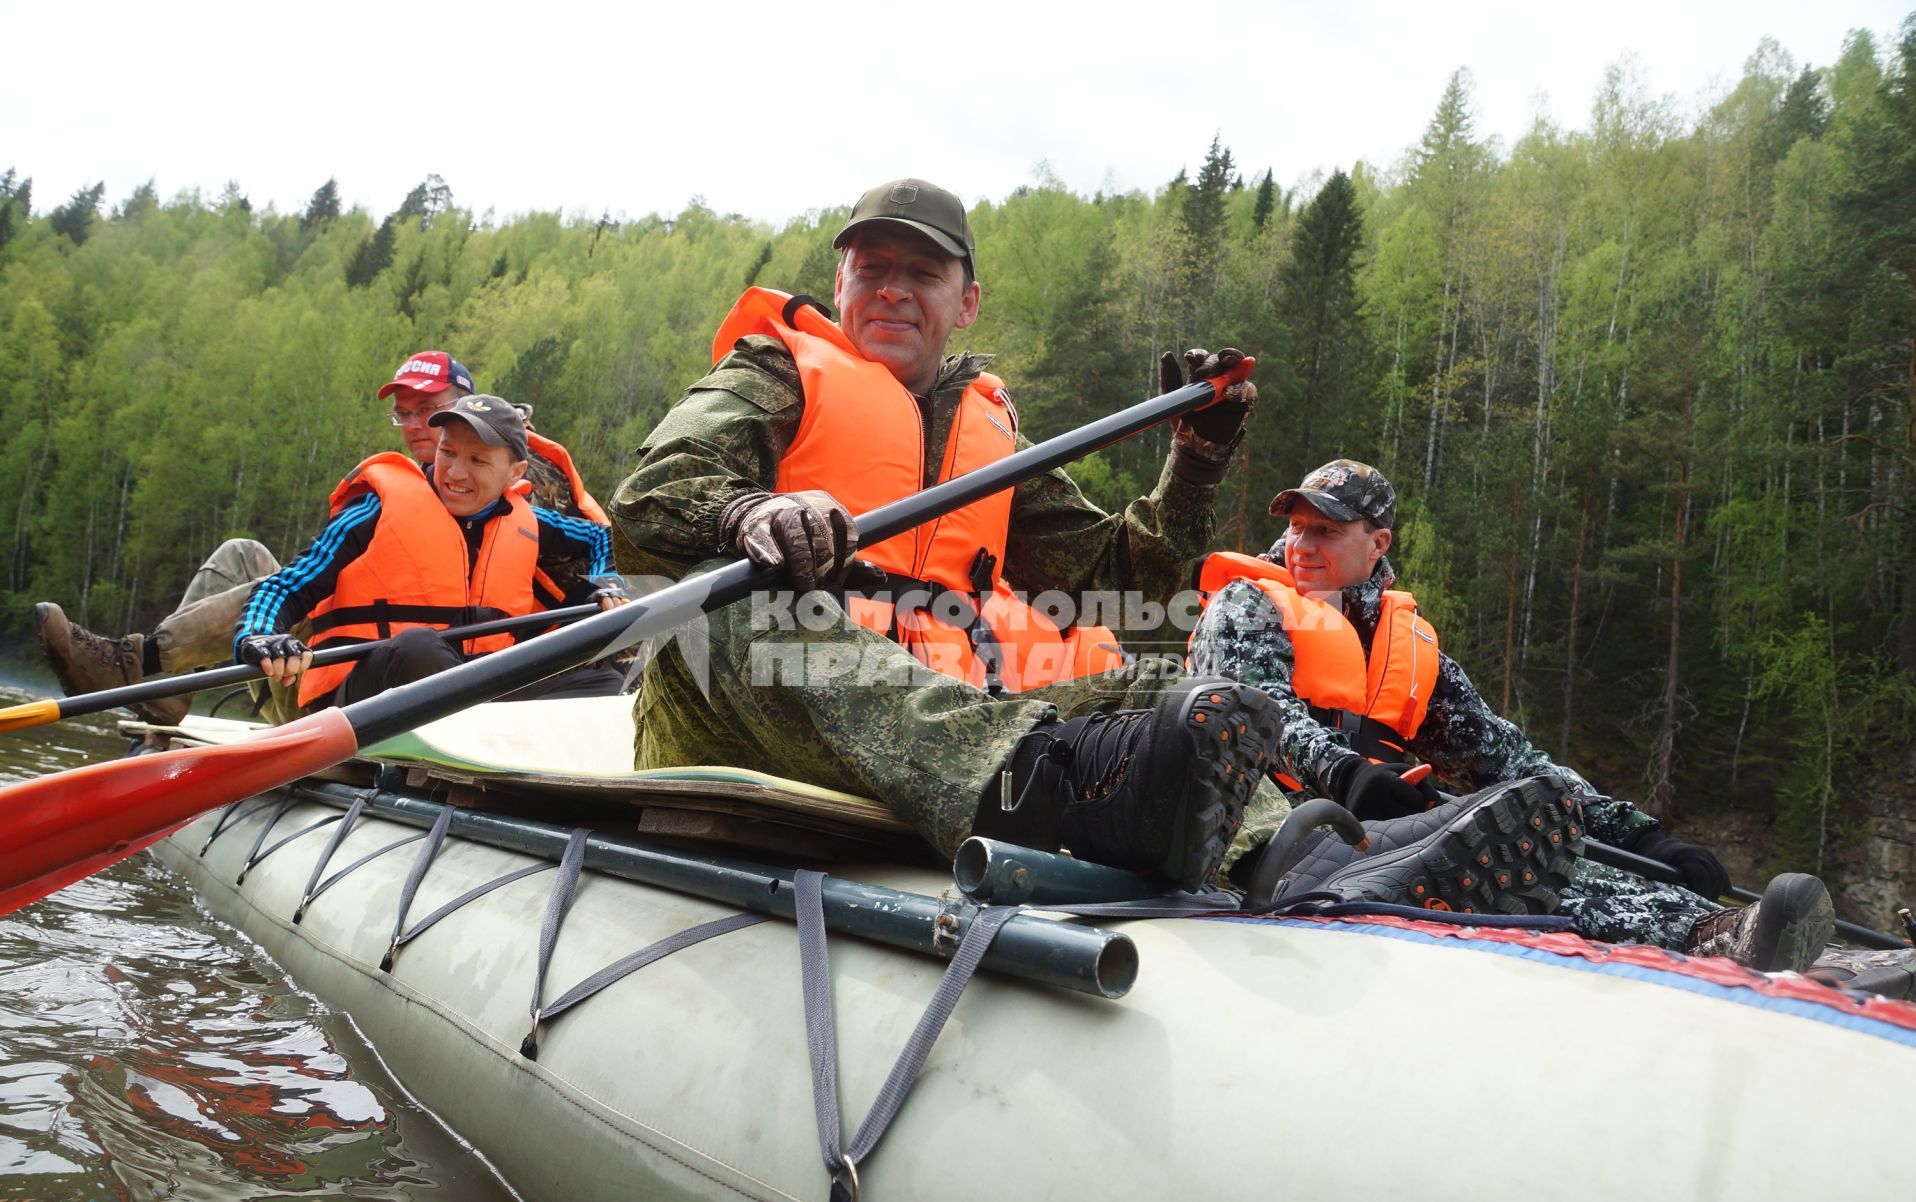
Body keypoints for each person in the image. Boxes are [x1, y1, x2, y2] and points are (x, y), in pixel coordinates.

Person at [608, 176, 1575, 894]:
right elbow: (650, 497)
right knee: (739, 613)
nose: (894, 291)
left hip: (932, 722)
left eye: (923, 273)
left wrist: (1194, 459)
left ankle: (1320, 857)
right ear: (842, 280)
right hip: (744, 704)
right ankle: (1052, 784)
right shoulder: (774, 372)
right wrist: (752, 515)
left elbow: (1129, 582)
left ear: (966, 301)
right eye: (874, 269)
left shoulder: (984, 429)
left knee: (1171, 689)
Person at [1189, 458, 1841, 971]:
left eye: (1325, 530)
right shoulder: (1248, 603)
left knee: (1543, 820)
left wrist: (1640, 835)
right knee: (1509, 866)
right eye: (1297, 525)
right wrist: (1350, 774)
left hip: (1372, 839)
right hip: (1267, 840)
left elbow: (1502, 756)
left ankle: (1726, 928)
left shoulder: (1403, 644)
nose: (1302, 542)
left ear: (1376, 541)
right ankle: (1705, 937)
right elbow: (1257, 710)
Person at [34, 351, 612, 722]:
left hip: (478, 672)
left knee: (589, 674)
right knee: (245, 557)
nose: (415, 427)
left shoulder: (529, 502)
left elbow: (593, 543)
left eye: (427, 410)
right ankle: (153, 676)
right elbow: (293, 584)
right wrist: (260, 636)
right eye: (408, 417)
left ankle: (146, 670)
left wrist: (605, 584)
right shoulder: (385, 500)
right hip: (360, 678)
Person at [235, 394, 626, 708]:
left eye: (477, 460)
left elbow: (603, 538)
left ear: (515, 473)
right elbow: (284, 586)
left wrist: (607, 580)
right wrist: (259, 635)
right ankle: (484, 728)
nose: (455, 473)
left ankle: (482, 729)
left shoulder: (530, 523)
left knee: (603, 679)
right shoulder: (377, 509)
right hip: (366, 696)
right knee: (417, 647)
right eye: (448, 452)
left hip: (472, 687)